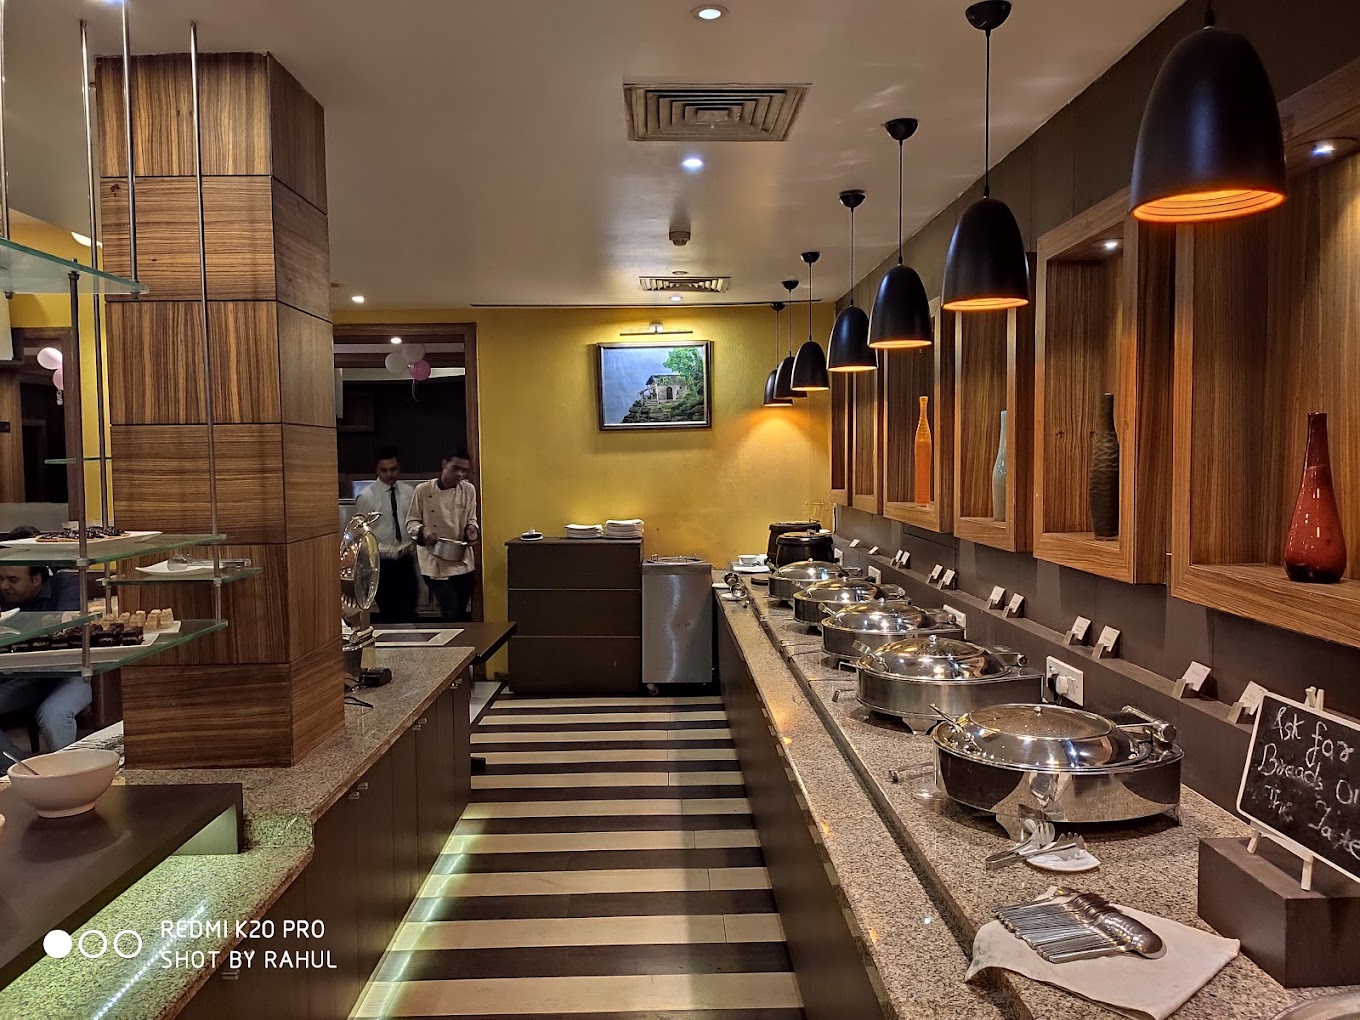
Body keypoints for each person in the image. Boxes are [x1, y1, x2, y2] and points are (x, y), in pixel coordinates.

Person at [0, 563, 91, 759]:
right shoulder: (4, 593)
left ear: (36, 579)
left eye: (13, 580)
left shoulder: (65, 583)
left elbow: (65, 622)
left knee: (54, 715)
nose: (4, 586)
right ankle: (17, 768)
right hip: (20, 677)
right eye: (1, 579)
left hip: (67, 673)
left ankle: (70, 770)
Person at [406, 451, 479, 622]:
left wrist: (471, 529)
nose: (460, 474)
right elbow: (412, 522)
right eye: (455, 468)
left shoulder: (468, 490)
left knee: (460, 610)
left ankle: (461, 638)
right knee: (451, 609)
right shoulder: (423, 490)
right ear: (444, 464)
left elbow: (471, 518)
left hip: (461, 559)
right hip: (434, 560)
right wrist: (424, 531)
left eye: (464, 470)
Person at [353, 447, 419, 622]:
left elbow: (413, 521)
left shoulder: (408, 491)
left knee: (410, 607)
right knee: (390, 612)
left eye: (393, 469)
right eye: (384, 470)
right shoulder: (367, 496)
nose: (390, 474)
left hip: (405, 558)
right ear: (377, 470)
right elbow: (361, 532)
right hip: (382, 563)